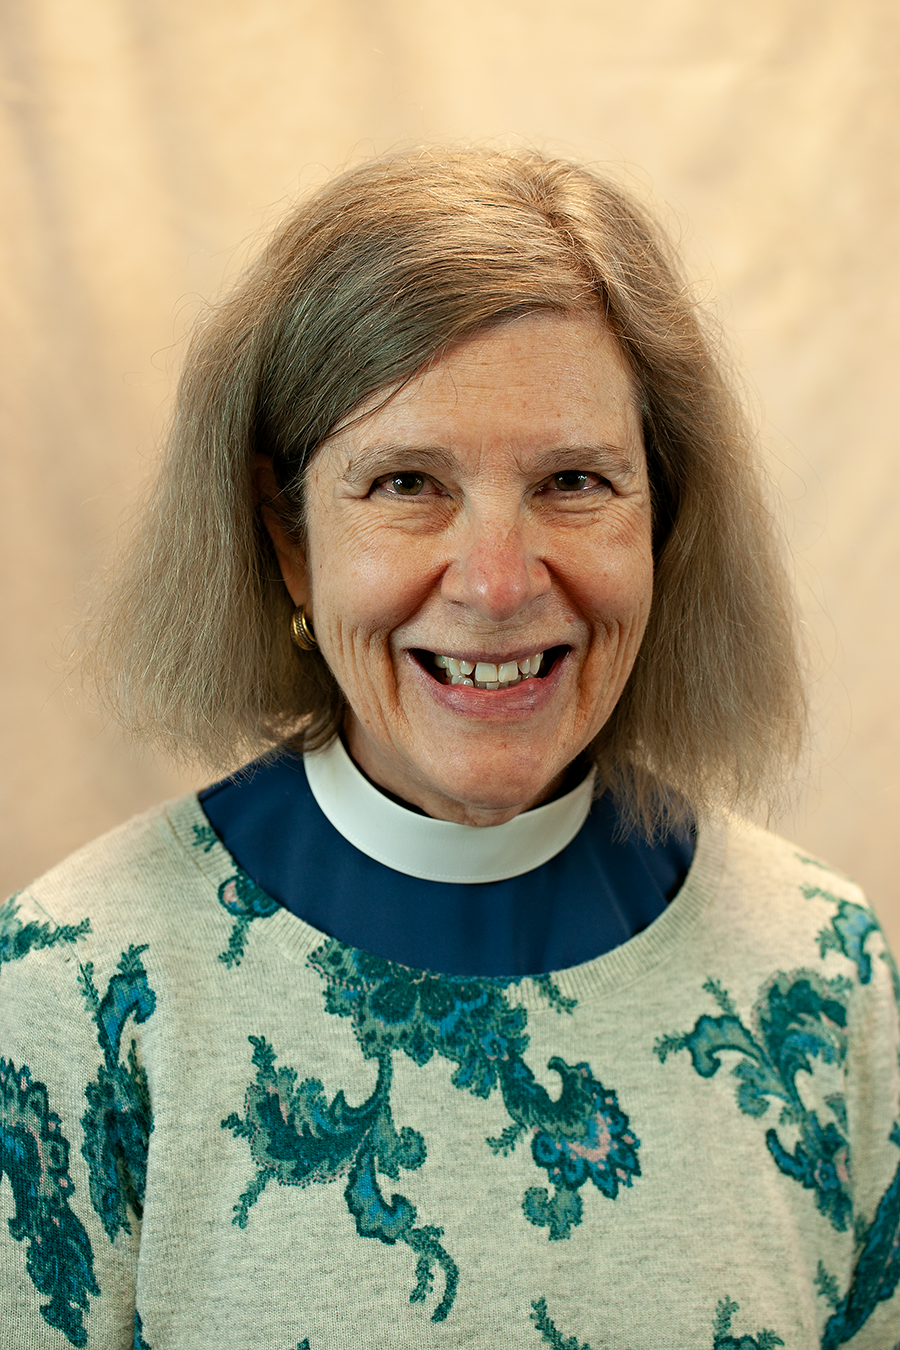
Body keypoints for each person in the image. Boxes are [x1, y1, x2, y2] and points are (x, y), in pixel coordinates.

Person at [1, 149, 897, 1350]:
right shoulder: (76, 992)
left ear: (664, 523)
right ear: (289, 540)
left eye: (575, 481)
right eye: (408, 482)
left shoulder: (828, 978)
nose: (496, 584)